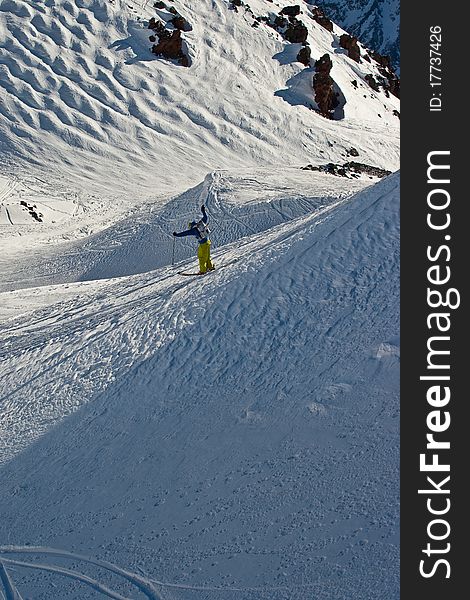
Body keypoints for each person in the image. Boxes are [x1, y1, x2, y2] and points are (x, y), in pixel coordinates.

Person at [173, 205, 215, 274]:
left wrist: (177, 234)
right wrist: (203, 211)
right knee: (207, 256)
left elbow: (184, 233)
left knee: (201, 257)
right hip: (208, 241)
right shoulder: (201, 223)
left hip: (203, 244)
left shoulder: (194, 230)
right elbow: (206, 217)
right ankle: (210, 267)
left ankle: (203, 271)